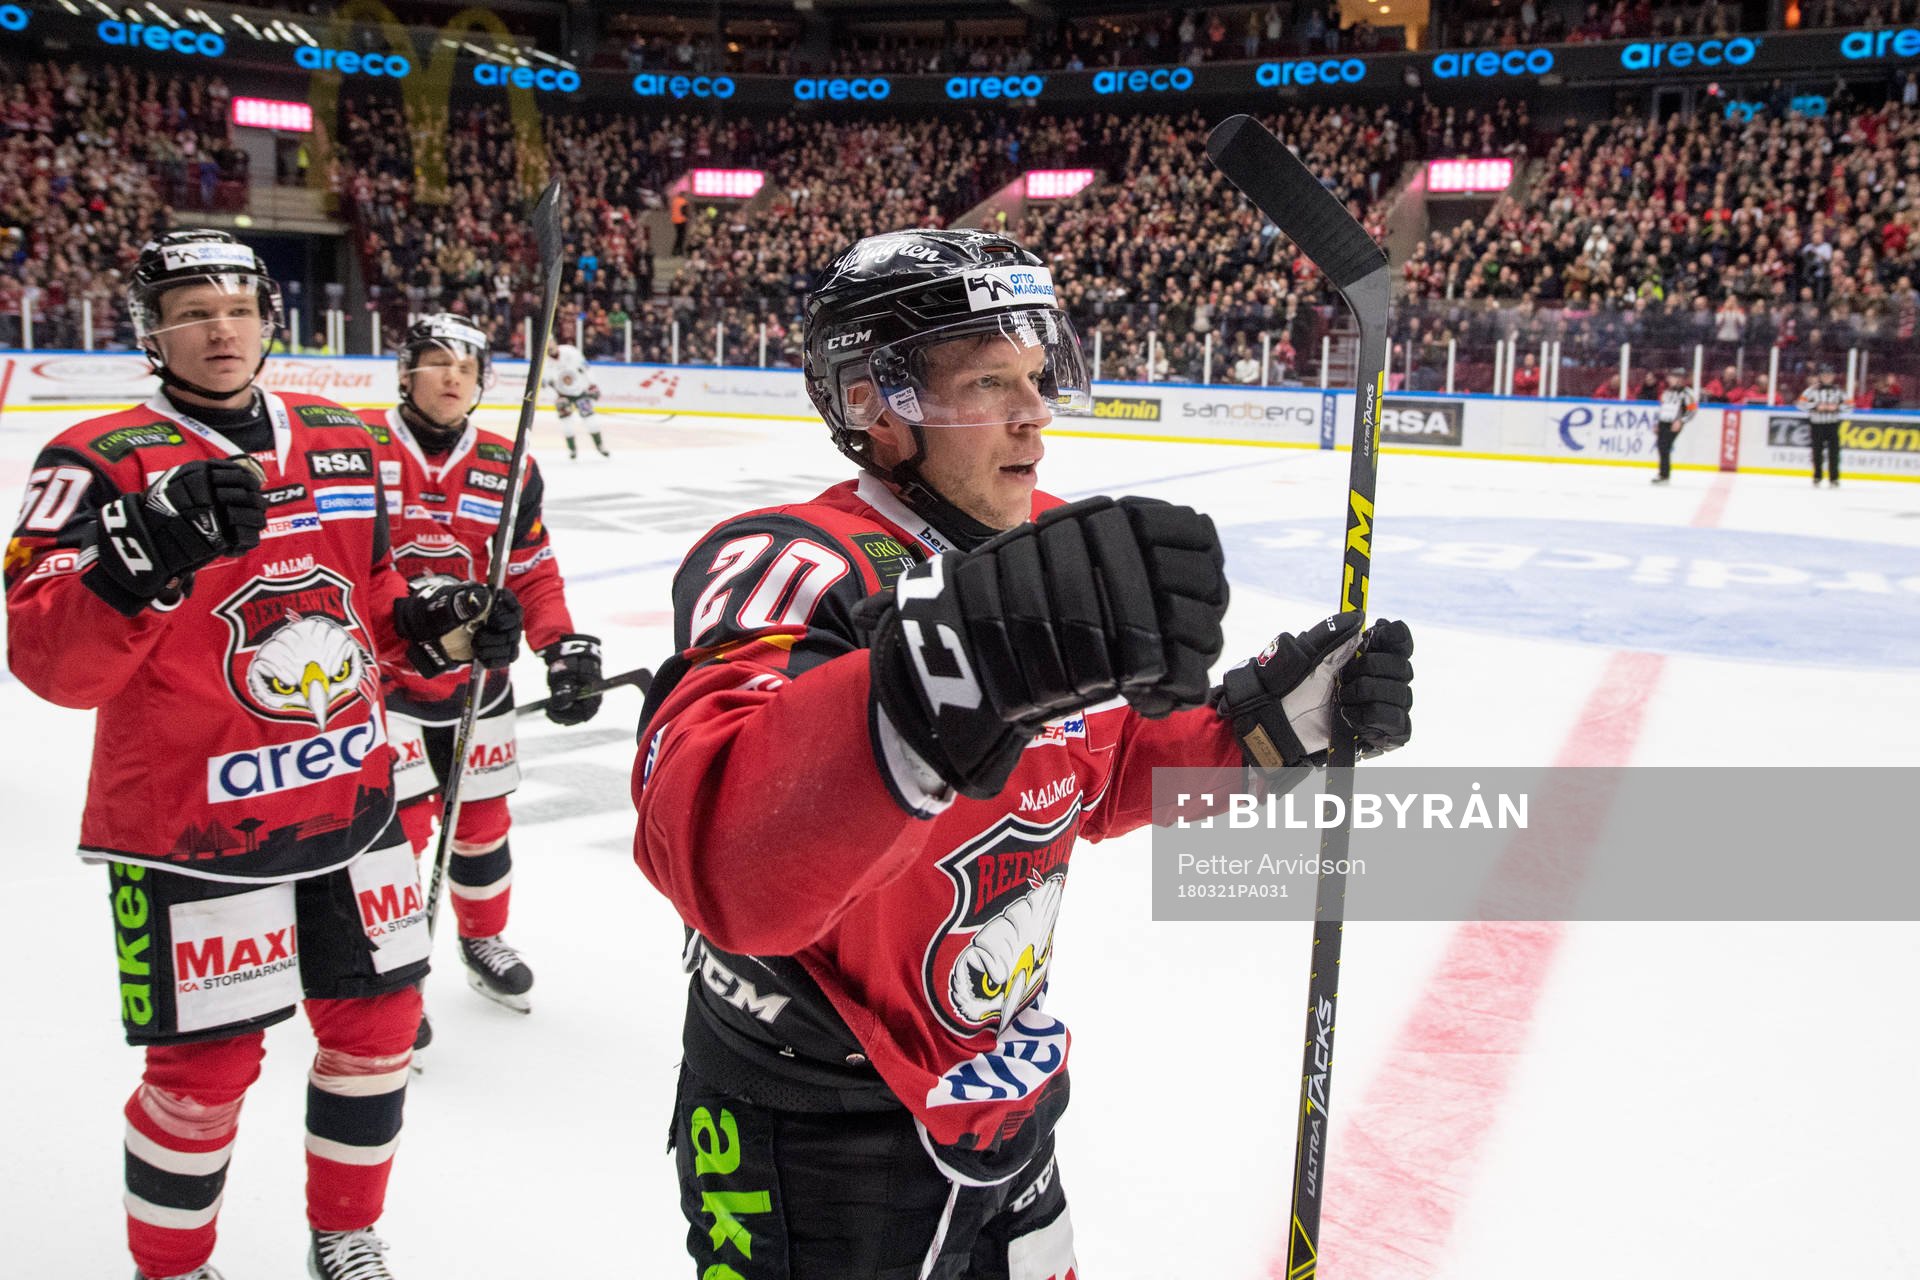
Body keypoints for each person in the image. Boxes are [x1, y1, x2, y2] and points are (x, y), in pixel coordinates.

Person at [629, 229, 1417, 1279]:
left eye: (1039, 376)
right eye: (989, 382)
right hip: (816, 1126)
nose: (1034, 415)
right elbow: (722, 860)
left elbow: (1097, 771)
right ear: (875, 401)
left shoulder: (1044, 548)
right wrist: (938, 675)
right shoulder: (791, 561)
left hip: (1000, 1099)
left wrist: (1272, 724)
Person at [5, 231, 522, 1280]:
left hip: (355, 800)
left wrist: (440, 631)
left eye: (237, 306)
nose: (220, 328)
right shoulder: (97, 459)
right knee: (203, 1071)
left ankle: (346, 1231)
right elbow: (46, 659)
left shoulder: (341, 437)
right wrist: (141, 555)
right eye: (193, 309)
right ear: (151, 329)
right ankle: (174, 1264)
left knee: (378, 1032)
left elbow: (368, 610)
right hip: (196, 825)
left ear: (271, 318)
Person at [363, 315, 604, 1032]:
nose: (451, 376)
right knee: (397, 832)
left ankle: (481, 939)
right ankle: (389, 971)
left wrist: (561, 646)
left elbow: (529, 567)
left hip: (479, 684)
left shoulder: (509, 464)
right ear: (406, 372)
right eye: (436, 361)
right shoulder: (359, 448)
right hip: (384, 681)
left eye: (466, 366)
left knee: (481, 824)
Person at [542, 338, 608, 459]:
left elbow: (586, 368)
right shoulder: (543, 362)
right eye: (546, 345)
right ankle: (572, 449)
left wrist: (593, 385)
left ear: (555, 342)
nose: (549, 346)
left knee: (591, 421)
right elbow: (544, 385)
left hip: (580, 393)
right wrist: (557, 398)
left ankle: (600, 445)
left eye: (550, 342)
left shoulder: (570, 352)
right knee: (566, 424)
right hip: (562, 396)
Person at [1797, 363, 1847, 487]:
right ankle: (1817, 476)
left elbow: (1850, 406)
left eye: (1829, 375)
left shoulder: (1839, 391)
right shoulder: (1811, 390)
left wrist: (1836, 407)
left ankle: (1834, 478)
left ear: (1833, 376)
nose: (1827, 377)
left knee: (1834, 453)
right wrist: (1815, 406)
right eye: (1824, 375)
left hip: (1833, 424)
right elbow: (1800, 404)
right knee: (1817, 452)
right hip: (1816, 425)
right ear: (1820, 376)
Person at [1650, 367, 1697, 485]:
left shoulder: (1687, 393)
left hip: (1674, 423)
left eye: (1672, 377)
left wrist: (1681, 421)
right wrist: (1657, 422)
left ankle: (1664, 475)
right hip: (1663, 422)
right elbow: (1663, 408)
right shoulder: (1667, 392)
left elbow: (1692, 410)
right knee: (1661, 447)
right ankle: (1663, 474)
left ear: (1680, 379)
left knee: (1665, 446)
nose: (1669, 380)